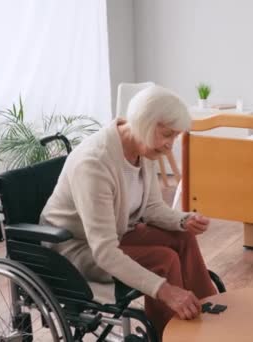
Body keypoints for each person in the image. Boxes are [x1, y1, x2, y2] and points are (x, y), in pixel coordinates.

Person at [40, 85, 217, 335]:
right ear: (144, 123)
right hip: (77, 250)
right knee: (163, 260)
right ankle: (168, 333)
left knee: (183, 237)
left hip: (116, 233)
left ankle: (214, 312)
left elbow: (152, 206)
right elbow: (104, 251)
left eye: (175, 137)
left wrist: (182, 220)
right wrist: (166, 291)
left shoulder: (141, 147)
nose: (170, 146)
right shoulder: (94, 163)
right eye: (167, 135)